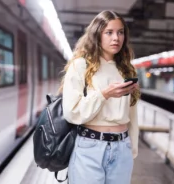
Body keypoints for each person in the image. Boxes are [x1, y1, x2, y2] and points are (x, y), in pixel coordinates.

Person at [59, 10, 140, 184]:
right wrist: (104, 94)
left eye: (120, 32)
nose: (116, 38)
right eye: (109, 32)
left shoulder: (127, 69)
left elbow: (132, 112)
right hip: (90, 146)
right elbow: (72, 113)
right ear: (97, 34)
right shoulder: (81, 66)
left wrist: (132, 146)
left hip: (122, 148)